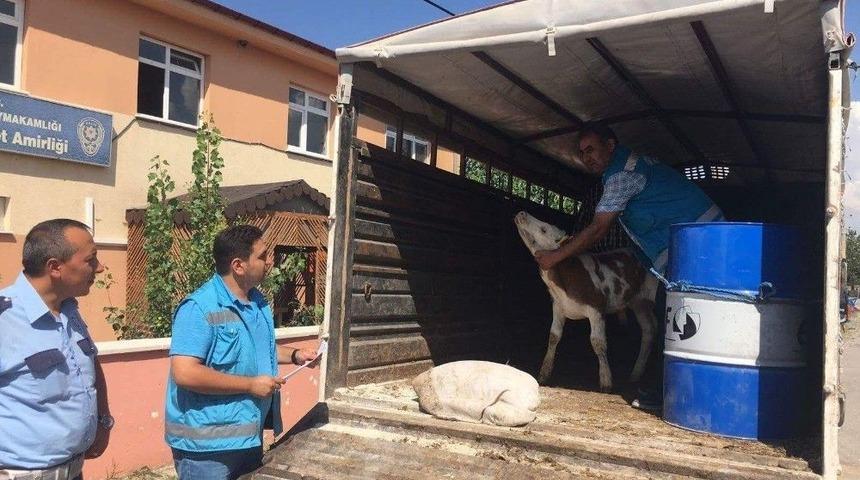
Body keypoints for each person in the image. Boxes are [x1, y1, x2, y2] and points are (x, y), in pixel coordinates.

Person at [535, 123, 724, 410]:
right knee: (678, 313)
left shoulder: (622, 176)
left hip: (702, 240)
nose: (587, 158)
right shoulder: (624, 169)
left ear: (610, 145)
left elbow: (598, 229)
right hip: (688, 243)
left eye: (592, 149)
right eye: (582, 153)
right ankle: (681, 390)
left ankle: (670, 392)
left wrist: (555, 256)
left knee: (676, 315)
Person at [165, 225, 318, 480]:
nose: (269, 262)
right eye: (262, 256)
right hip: (207, 451)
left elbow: (258, 351)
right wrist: (250, 385)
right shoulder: (199, 307)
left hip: (248, 439)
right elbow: (185, 373)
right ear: (238, 265)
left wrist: (295, 355)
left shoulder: (257, 304)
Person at [0, 219, 112, 480]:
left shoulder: (69, 311)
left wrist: (103, 421)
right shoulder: (5, 320)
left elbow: (90, 368)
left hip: (74, 471)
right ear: (55, 267)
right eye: (91, 260)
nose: (100, 268)